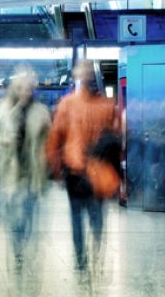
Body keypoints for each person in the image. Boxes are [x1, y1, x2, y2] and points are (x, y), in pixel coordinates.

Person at [45, 60, 118, 271]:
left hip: (88, 170)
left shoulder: (98, 105)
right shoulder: (74, 104)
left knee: (86, 216)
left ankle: (86, 258)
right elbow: (56, 137)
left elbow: (55, 137)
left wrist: (57, 169)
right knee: (86, 215)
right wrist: (57, 168)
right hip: (80, 170)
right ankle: (84, 257)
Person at [0, 66, 51, 269]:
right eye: (21, 87)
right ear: (13, 88)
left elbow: (49, 141)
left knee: (27, 214)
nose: (25, 92)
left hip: (32, 171)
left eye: (29, 87)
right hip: (8, 170)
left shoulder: (41, 113)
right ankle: (17, 244)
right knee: (12, 213)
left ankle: (21, 241)